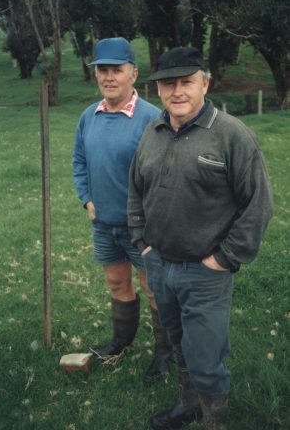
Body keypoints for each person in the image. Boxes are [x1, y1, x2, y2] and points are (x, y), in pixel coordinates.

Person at [128, 47, 273, 429]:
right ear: (157, 88)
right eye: (168, 83)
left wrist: (223, 259)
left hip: (206, 273)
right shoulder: (153, 131)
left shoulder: (232, 135)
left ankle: (214, 422)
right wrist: (143, 243)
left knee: (205, 356)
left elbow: (258, 205)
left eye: (187, 82)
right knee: (178, 343)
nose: (178, 91)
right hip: (160, 265)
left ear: (204, 83)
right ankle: (188, 405)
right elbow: (135, 191)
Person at [72, 37, 172, 383]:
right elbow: (79, 161)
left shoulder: (151, 118)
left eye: (117, 69)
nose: (109, 76)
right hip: (104, 223)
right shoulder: (90, 116)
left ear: (134, 73)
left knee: (154, 288)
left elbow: (167, 173)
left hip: (143, 227)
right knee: (117, 283)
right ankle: (121, 341)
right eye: (103, 70)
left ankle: (164, 352)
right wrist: (86, 198)